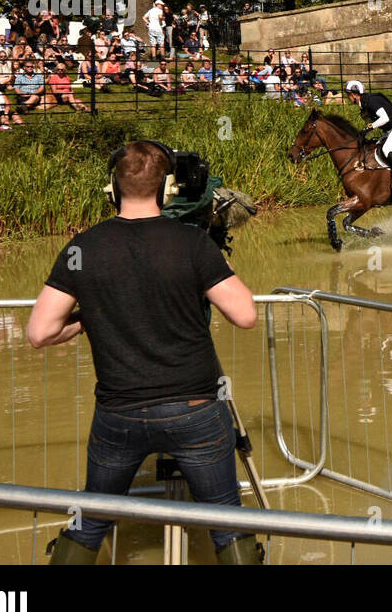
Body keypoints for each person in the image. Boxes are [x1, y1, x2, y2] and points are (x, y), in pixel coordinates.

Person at [27, 141, 259, 564]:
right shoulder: (192, 243)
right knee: (227, 521)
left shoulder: (82, 248)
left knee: (90, 521)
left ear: (112, 189)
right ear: (167, 188)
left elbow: (41, 332)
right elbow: (245, 315)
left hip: (119, 413)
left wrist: (88, 318)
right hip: (194, 408)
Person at [344, 80, 392, 195]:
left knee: (386, 149)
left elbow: (384, 118)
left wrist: (368, 128)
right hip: (390, 129)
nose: (348, 97)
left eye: (348, 94)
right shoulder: (364, 104)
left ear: (355, 94)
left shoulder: (371, 101)